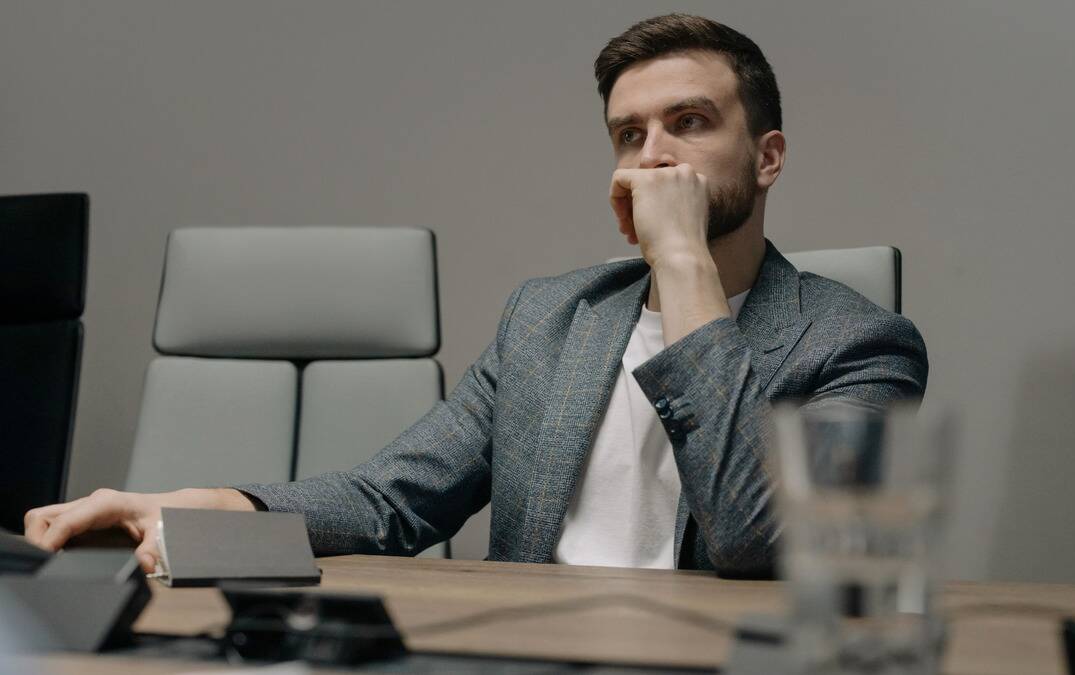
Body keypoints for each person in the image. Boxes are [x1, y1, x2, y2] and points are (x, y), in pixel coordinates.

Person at [24, 14, 927, 578]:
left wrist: (685, 262)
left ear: (767, 156)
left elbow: (751, 540)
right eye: (629, 133)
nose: (652, 154)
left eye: (689, 123)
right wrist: (188, 509)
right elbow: (390, 502)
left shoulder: (859, 344)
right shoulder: (550, 316)